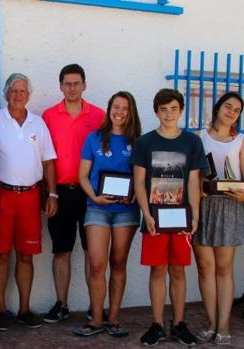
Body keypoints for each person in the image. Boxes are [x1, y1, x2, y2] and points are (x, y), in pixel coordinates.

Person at [130, 88, 207, 347]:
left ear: (181, 110)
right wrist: (146, 213)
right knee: (158, 269)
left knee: (178, 270)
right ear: (156, 112)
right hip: (155, 217)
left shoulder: (192, 142)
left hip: (181, 217)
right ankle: (156, 324)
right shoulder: (145, 142)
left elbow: (195, 182)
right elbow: (139, 182)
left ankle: (179, 324)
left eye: (173, 109)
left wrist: (195, 215)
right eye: (163, 109)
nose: (168, 114)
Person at [0, 73, 58, 331]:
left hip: (30, 197)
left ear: (29, 95)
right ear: (6, 94)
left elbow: (48, 160)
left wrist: (52, 194)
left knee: (26, 255)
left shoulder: (38, 124)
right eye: (14, 91)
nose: (18, 95)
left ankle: (24, 309)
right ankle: (0, 310)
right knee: (1, 255)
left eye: (23, 91)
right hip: (2, 196)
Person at [73, 91, 142, 337]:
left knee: (118, 263)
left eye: (124, 108)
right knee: (96, 265)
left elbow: (141, 178)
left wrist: (136, 194)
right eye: (116, 107)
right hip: (97, 208)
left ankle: (113, 319)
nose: (119, 112)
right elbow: (82, 175)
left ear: (130, 111)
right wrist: (94, 197)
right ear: (109, 108)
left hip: (126, 211)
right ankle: (96, 319)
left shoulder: (138, 142)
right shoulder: (94, 138)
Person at [42, 64, 105, 323]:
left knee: (94, 252)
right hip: (61, 193)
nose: (71, 87)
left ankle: (95, 305)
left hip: (91, 195)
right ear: (60, 87)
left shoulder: (100, 116)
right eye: (67, 83)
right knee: (61, 250)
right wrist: (50, 193)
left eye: (76, 83)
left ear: (84, 85)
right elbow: (45, 158)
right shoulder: (48, 116)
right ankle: (62, 304)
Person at [193, 92, 244, 345]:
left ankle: (224, 325)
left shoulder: (242, 141)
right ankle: (211, 323)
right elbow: (192, 174)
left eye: (237, 110)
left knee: (223, 268)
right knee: (205, 267)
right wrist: (198, 185)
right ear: (218, 108)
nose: (231, 112)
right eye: (228, 106)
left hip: (231, 207)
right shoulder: (199, 137)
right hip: (204, 206)